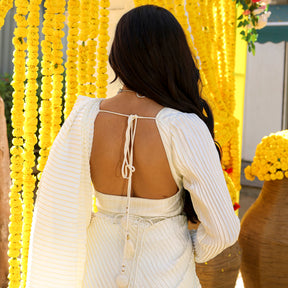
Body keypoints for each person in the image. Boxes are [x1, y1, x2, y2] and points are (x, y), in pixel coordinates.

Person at [26, 5, 240, 288]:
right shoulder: (183, 126)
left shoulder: (85, 117)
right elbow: (224, 230)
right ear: (174, 56)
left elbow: (57, 207)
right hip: (166, 272)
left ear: (119, 55)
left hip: (98, 269)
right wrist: (191, 246)